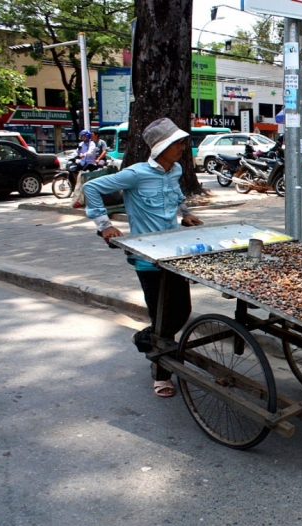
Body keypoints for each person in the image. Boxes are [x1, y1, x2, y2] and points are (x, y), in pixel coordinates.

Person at [83, 118, 203, 398]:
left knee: (181, 312)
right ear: (160, 147)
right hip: (147, 258)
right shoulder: (136, 174)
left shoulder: (176, 170)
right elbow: (91, 189)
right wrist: (105, 225)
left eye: (183, 142)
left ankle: (143, 338)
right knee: (161, 317)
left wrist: (185, 213)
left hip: (174, 253)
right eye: (177, 143)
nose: (182, 148)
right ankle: (162, 374)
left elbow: (176, 194)